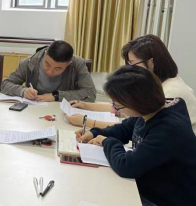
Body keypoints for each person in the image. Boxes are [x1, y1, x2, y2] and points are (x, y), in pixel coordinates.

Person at [77, 66, 196, 206]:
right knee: (97, 195)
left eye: (118, 105)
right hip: (154, 193)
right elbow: (124, 129)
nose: (117, 109)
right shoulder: (151, 111)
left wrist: (106, 141)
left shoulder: (168, 129)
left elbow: (127, 166)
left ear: (137, 103)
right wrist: (95, 133)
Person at [67, 35, 196, 133]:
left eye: (133, 64)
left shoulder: (171, 91)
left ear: (151, 63)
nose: (131, 69)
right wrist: (86, 105)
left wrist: (88, 122)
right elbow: (122, 108)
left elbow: (135, 126)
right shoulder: (155, 83)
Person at [0, 40, 96, 103]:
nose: (50, 71)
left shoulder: (77, 64)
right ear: (45, 54)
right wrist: (23, 91)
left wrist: (56, 96)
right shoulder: (31, 62)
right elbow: (5, 84)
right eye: (47, 64)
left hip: (62, 110)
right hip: (33, 110)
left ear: (68, 64)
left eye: (57, 68)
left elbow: (90, 94)